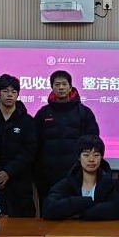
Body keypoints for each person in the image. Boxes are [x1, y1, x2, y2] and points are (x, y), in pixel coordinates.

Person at [42, 135, 117, 237]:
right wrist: (85, 202)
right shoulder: (68, 183)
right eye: (86, 155)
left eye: (96, 155)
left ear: (102, 157)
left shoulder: (109, 183)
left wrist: (81, 214)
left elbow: (117, 208)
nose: (91, 159)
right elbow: (48, 208)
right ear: (78, 157)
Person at [34, 70, 100, 203]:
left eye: (64, 84)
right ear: (52, 87)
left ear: (70, 87)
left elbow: (93, 142)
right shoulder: (43, 113)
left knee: (74, 208)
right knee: (48, 208)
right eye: (57, 84)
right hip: (47, 174)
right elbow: (35, 143)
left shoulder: (84, 112)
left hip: (75, 172)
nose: (61, 87)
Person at [0, 74, 37, 217]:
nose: (9, 95)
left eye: (13, 92)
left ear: (18, 95)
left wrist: (8, 172)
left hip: (19, 179)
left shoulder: (27, 121)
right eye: (5, 91)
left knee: (22, 222)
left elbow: (30, 151)